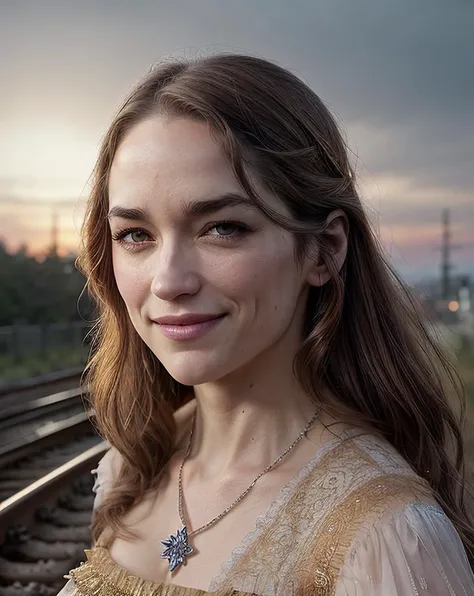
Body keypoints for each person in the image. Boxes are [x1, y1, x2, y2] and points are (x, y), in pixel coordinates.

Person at [58, 53, 474, 595]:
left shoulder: (382, 537)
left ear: (323, 251)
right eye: (136, 235)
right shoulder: (133, 465)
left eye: (222, 228)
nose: (168, 281)